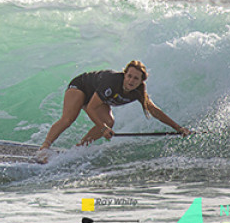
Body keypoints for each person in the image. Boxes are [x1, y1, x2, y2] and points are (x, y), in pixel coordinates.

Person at [39, 61, 191, 160]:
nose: (131, 81)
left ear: (141, 81)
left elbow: (155, 111)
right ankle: (44, 148)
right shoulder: (112, 82)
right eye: (129, 76)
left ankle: (78, 149)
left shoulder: (138, 92)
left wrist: (178, 128)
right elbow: (91, 108)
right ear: (124, 74)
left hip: (96, 97)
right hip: (81, 87)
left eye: (136, 79)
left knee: (109, 122)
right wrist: (102, 128)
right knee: (68, 119)